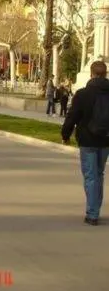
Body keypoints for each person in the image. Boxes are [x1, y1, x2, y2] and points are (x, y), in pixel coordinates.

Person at [61, 61, 109, 226]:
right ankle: (95, 208)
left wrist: (65, 135)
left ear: (92, 74)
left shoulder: (82, 94)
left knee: (90, 176)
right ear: (105, 74)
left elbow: (72, 117)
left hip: (87, 140)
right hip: (105, 140)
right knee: (99, 174)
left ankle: (92, 213)